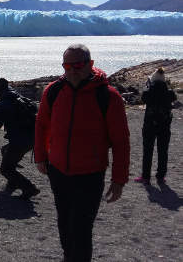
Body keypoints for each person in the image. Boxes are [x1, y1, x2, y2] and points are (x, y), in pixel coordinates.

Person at [34, 44, 130, 262]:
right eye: (67, 65)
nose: (72, 70)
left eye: (77, 65)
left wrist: (119, 179)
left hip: (90, 174)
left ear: (90, 64)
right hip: (58, 171)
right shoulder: (54, 90)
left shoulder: (107, 96)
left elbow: (121, 141)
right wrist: (40, 156)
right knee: (65, 222)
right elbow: (41, 124)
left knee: (81, 228)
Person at [0, 78, 39, 200]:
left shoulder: (3, 104)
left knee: (5, 169)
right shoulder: (16, 96)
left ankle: (30, 188)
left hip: (19, 141)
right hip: (31, 137)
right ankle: (13, 182)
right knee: (5, 151)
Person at [134, 67, 177, 185]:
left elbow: (143, 98)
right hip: (164, 126)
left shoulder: (148, 92)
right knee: (163, 151)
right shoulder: (170, 93)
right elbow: (174, 98)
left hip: (150, 125)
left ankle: (146, 176)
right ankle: (160, 176)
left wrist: (148, 86)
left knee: (148, 151)